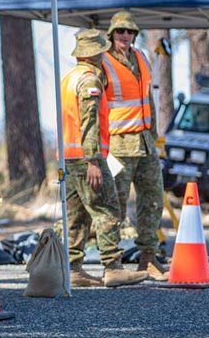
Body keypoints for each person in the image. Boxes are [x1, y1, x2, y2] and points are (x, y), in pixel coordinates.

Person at [61, 29, 148, 288]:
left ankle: (73, 268)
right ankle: (113, 268)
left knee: (76, 216)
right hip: (86, 157)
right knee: (107, 210)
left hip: (68, 157)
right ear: (96, 52)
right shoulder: (89, 80)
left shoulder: (69, 78)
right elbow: (89, 124)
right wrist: (93, 161)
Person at [102, 11, 169, 281]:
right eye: (120, 32)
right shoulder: (103, 61)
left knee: (153, 199)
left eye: (130, 32)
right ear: (112, 34)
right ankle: (113, 264)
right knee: (114, 205)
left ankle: (148, 259)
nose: (125, 36)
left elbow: (148, 100)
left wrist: (153, 136)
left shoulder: (141, 57)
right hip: (117, 146)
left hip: (144, 143)